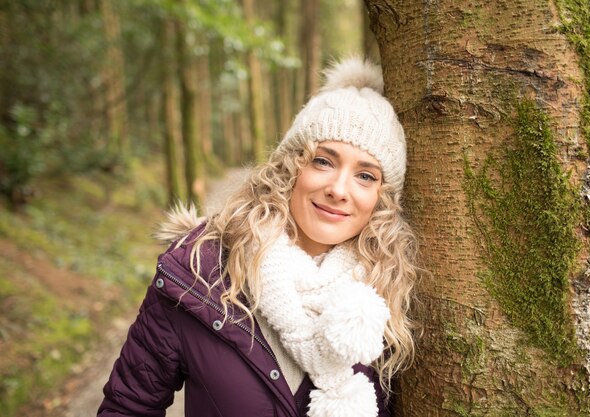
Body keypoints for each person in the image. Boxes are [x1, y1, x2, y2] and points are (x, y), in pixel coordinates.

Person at [97, 56, 418, 417]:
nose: (339, 189)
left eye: (366, 176)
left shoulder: (388, 293)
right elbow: (127, 407)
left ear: (383, 200)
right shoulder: (198, 273)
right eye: (323, 162)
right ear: (289, 168)